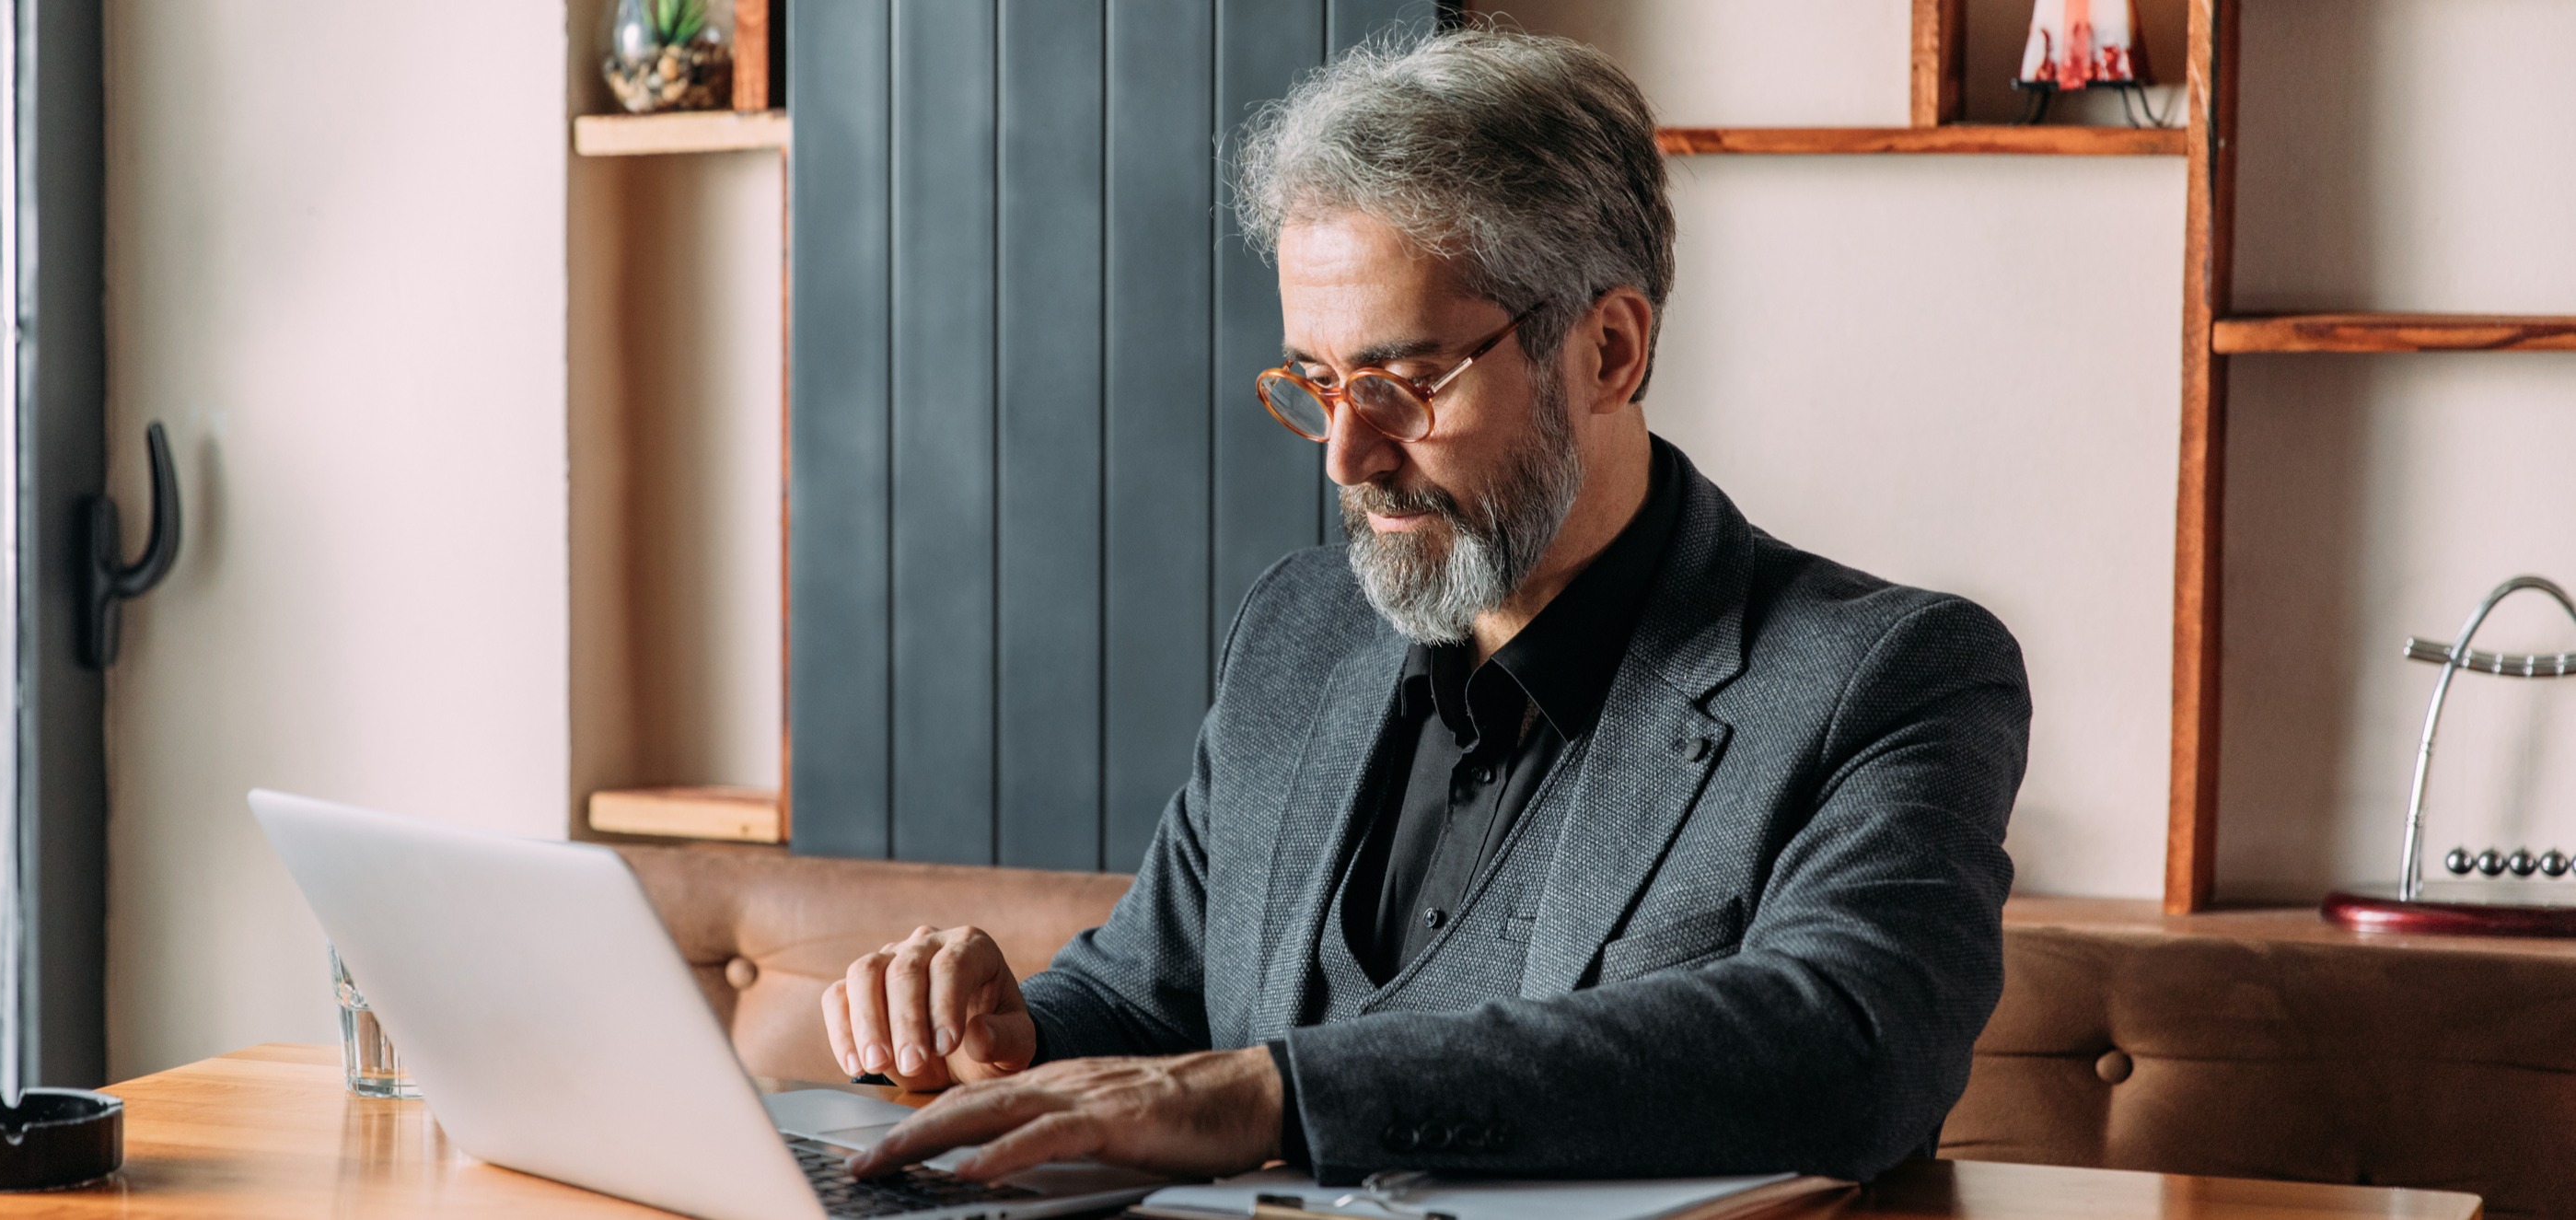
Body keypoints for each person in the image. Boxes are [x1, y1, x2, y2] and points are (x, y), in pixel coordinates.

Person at [824, 28, 2031, 1189]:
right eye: (1317, 381)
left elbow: (1849, 1050)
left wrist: (1278, 1097)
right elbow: (1155, 999)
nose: (1347, 455)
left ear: (1610, 349)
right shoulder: (1297, 630)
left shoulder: (1888, 675)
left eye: (1404, 383)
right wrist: (1010, 1033)